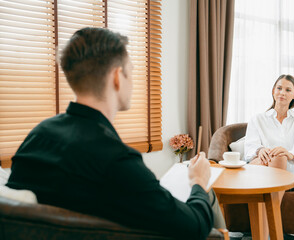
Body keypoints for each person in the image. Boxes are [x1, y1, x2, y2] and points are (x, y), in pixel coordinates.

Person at [6, 27, 222, 240]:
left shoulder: (38, 136)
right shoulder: (115, 159)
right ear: (118, 76)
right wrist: (198, 181)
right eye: (132, 70)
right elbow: (194, 227)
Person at [244, 74, 294, 237]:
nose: (282, 93)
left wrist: (289, 153)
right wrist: (259, 150)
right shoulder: (258, 119)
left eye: (288, 90)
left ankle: (263, 234)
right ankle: (271, 232)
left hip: (287, 176)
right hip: (259, 170)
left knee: (279, 156)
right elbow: (249, 147)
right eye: (279, 88)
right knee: (273, 155)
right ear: (273, 91)